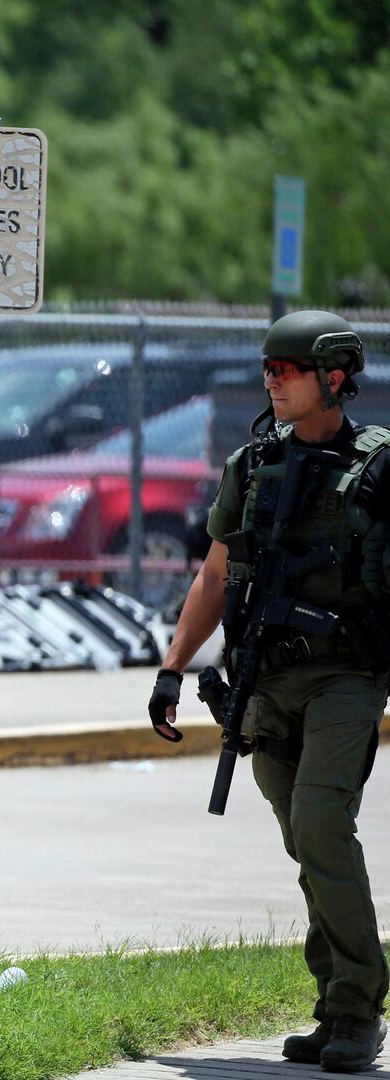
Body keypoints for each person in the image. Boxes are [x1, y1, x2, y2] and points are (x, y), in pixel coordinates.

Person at [151, 310, 389, 1072]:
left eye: (285, 369)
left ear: (334, 378)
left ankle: (359, 1007)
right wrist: (173, 666)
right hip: (268, 677)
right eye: (267, 369)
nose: (271, 381)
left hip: (349, 673)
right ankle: (335, 1006)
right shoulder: (252, 465)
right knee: (303, 839)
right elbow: (216, 573)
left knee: (322, 822)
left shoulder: (382, 467)